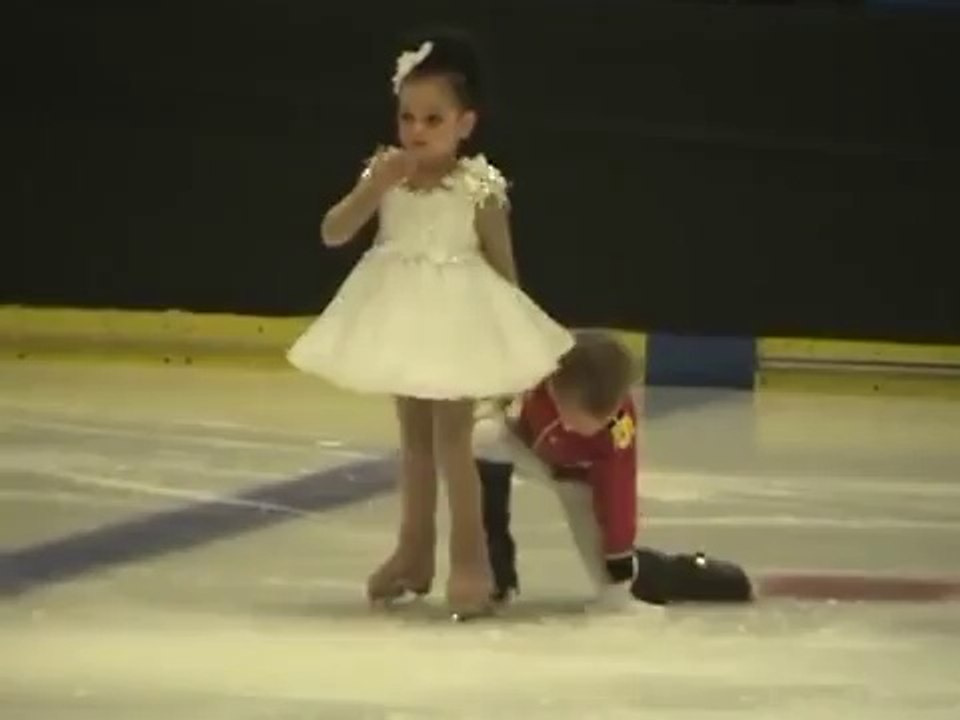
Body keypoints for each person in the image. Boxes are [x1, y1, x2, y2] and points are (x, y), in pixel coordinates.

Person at [287, 31, 573, 618]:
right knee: (414, 444)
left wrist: (506, 355)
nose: (416, 130)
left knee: (452, 443)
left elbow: (505, 275)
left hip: (460, 325)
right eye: (407, 116)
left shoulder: (479, 187)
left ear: (465, 124)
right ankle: (412, 553)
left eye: (433, 119)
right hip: (398, 317)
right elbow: (333, 233)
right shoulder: (383, 174)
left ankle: (470, 562)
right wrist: (375, 185)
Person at [474, 330, 754, 610]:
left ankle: (684, 574)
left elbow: (619, 488)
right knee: (481, 436)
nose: (577, 429)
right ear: (556, 391)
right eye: (575, 417)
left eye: (599, 420)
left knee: (612, 587)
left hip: (575, 477)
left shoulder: (616, 428)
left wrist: (618, 552)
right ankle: (494, 572)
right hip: (523, 445)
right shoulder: (529, 376)